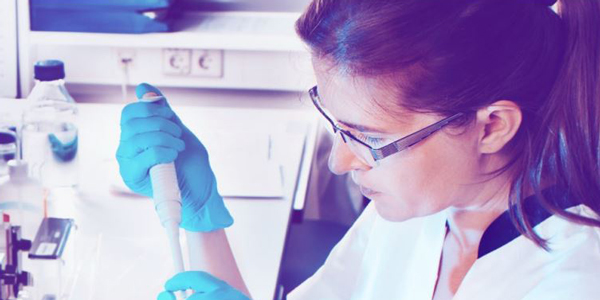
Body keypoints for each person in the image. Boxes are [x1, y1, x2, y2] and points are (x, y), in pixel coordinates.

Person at [116, 0, 600, 299]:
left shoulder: (574, 281)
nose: (339, 160)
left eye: (367, 138)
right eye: (337, 126)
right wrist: (200, 219)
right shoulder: (419, 215)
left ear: (491, 127)